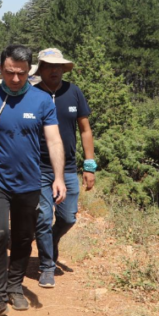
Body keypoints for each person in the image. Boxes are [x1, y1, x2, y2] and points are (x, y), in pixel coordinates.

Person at [0, 45, 66, 316]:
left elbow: (54, 140)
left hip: (29, 182)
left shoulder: (42, 101)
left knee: (23, 236)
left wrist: (58, 177)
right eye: (9, 72)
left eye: (21, 73)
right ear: (1, 68)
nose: (15, 79)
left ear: (29, 71)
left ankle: (14, 285)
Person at [32, 48, 95, 288]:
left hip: (68, 168)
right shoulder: (32, 93)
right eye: (49, 66)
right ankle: (47, 265)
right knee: (44, 217)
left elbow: (85, 129)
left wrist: (89, 166)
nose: (55, 70)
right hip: (38, 167)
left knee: (68, 217)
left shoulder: (74, 92)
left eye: (58, 66)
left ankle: (52, 239)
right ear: (41, 69)